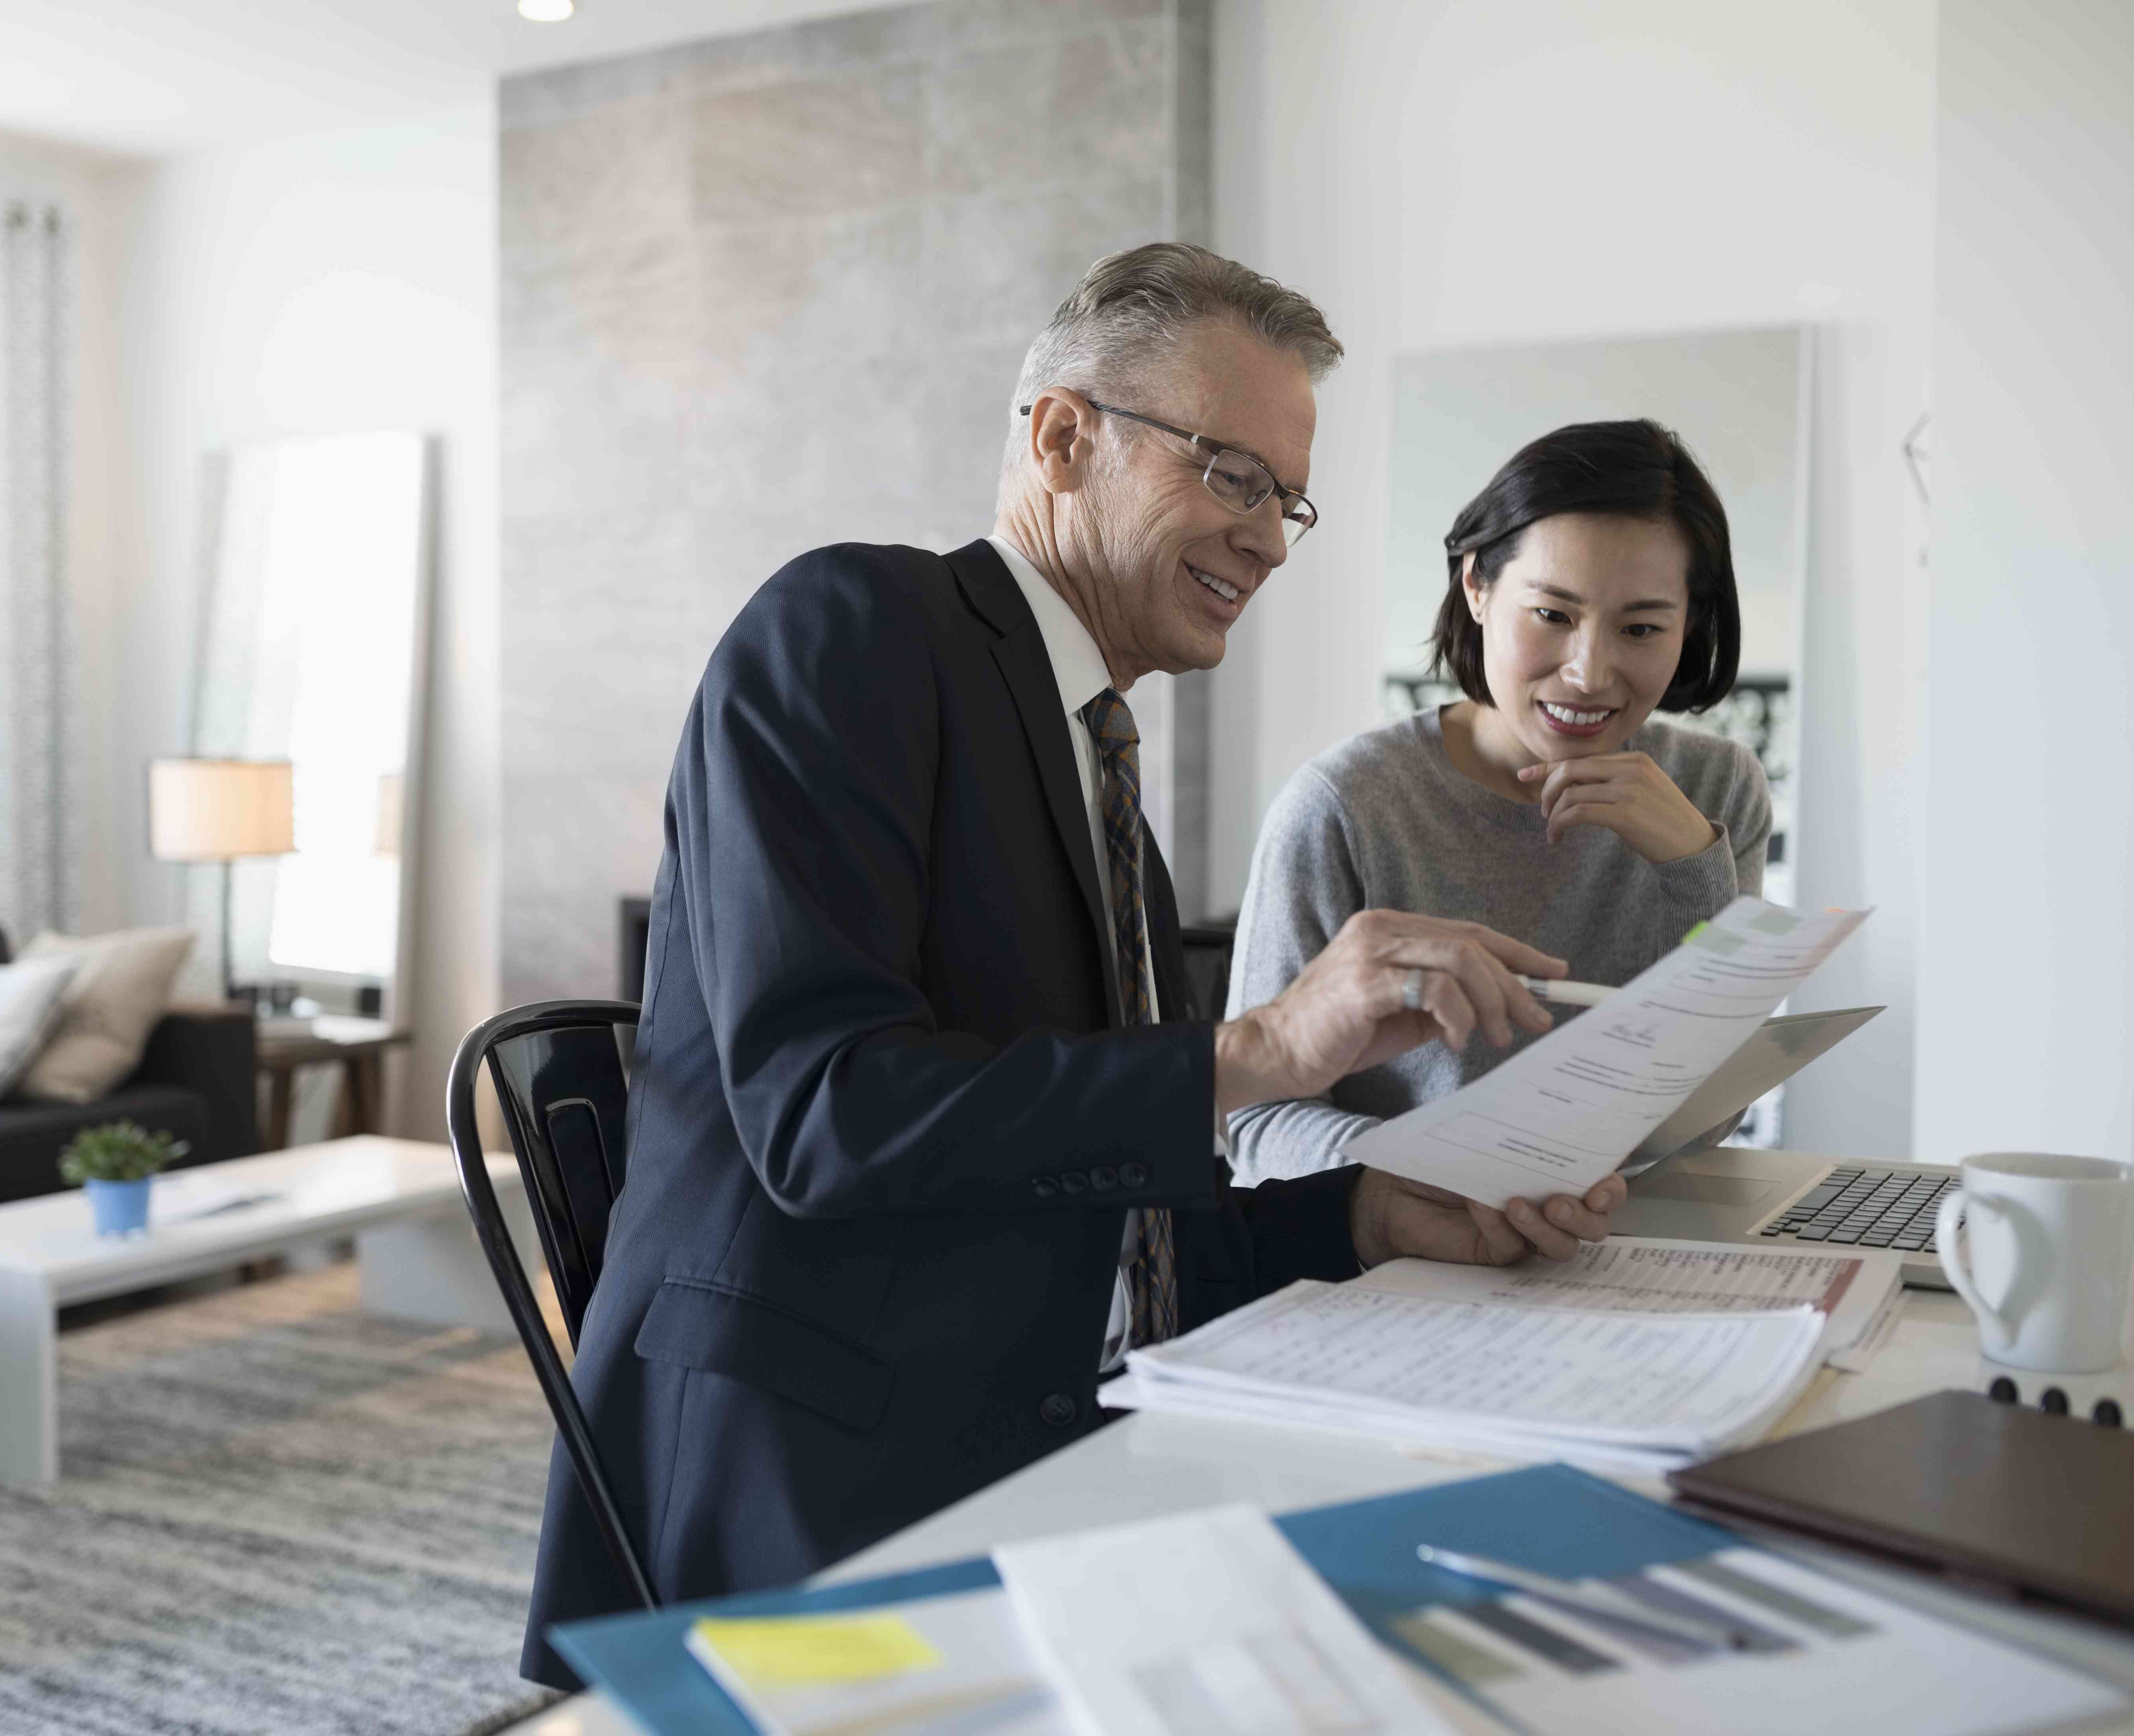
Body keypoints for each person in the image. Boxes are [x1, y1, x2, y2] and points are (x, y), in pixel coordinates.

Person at [520, 244, 1627, 1686]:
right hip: (815, 1477)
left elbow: (1117, 1209)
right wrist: (1264, 1049)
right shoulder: (854, 630)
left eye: (1286, 500)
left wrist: (1372, 1216)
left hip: (1059, 1432)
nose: (1273, 541)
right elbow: (828, 1116)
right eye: (1233, 476)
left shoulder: (1098, 771)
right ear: (1061, 437)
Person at [1224, 419, 1774, 1183]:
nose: (1589, 673)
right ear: (1478, 586)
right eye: (1553, 616)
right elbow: (1253, 1121)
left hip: (1631, 1251)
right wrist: (1448, 1185)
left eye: (1642, 627)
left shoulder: (1717, 795)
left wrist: (1693, 869)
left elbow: (1707, 1123)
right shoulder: (1343, 807)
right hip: (1406, 1261)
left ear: (1691, 628)